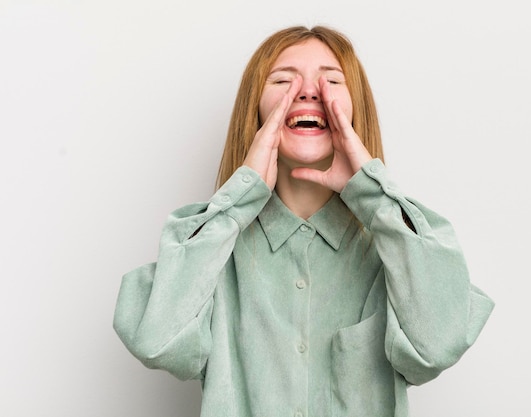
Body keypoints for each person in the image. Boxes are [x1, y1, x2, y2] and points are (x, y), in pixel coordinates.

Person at [113, 26, 494, 417]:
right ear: (255, 109)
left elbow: (438, 346)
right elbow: (157, 341)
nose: (309, 91)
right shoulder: (214, 254)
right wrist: (241, 195)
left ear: (355, 108)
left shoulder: (396, 252)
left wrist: (372, 194)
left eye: (331, 80)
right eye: (283, 80)